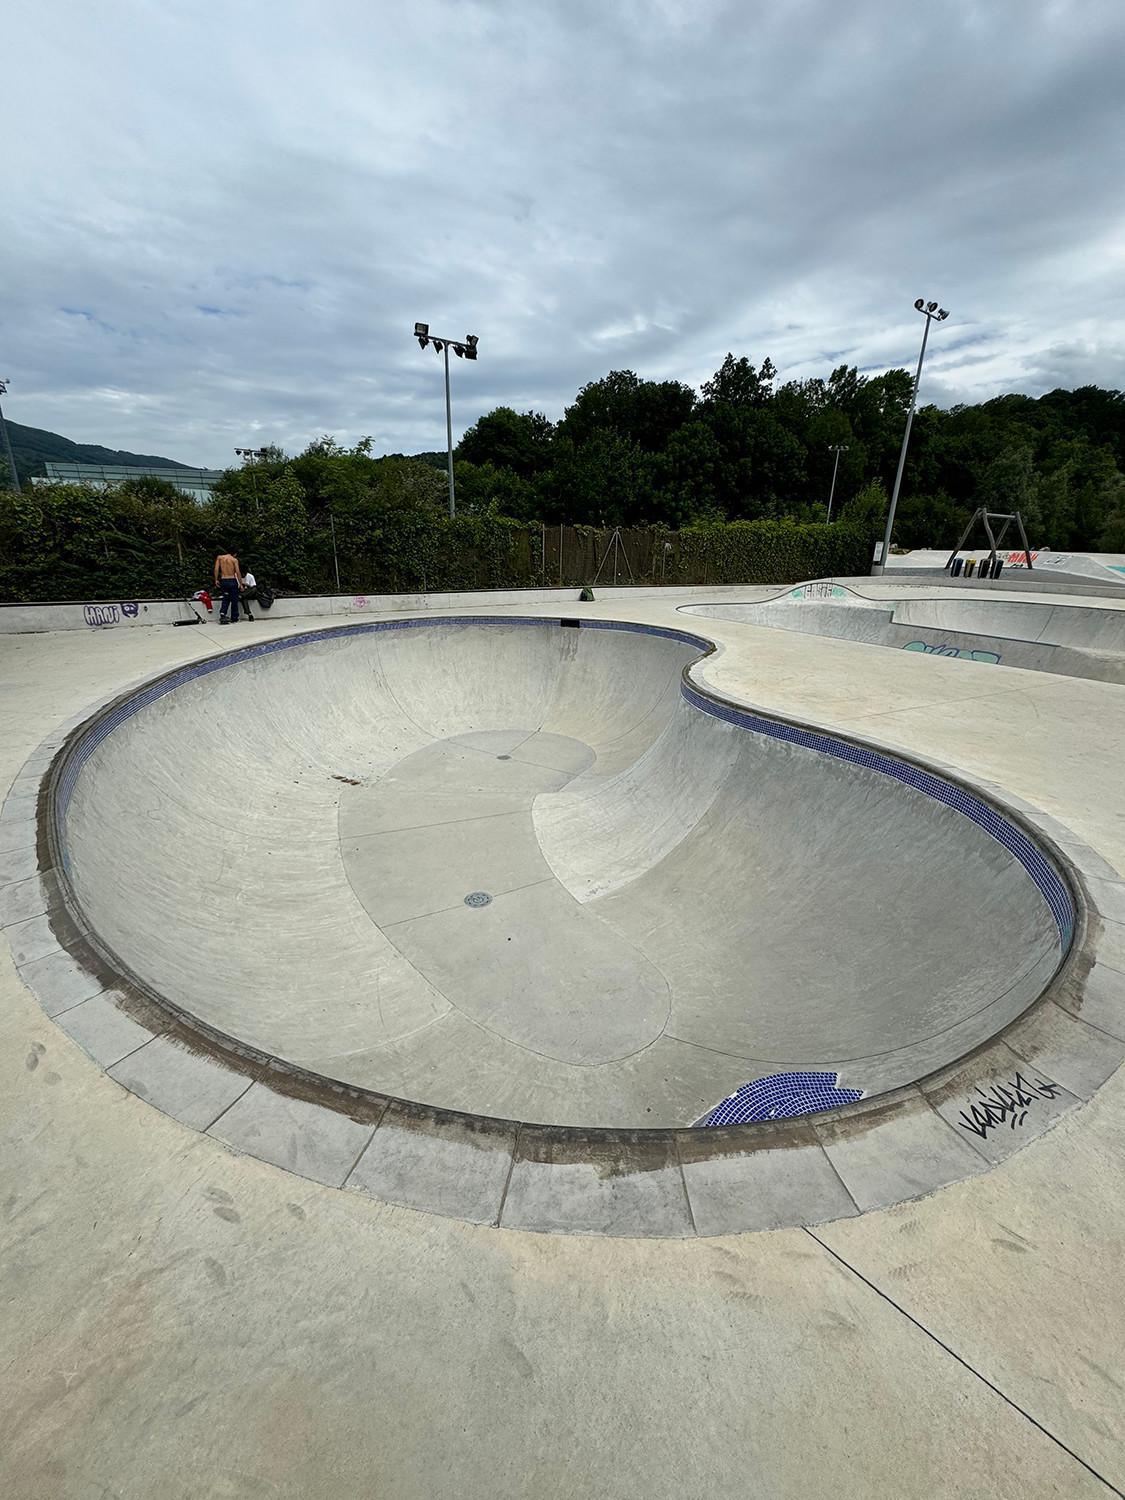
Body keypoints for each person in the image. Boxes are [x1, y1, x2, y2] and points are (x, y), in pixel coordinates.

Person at [213, 550, 242, 623]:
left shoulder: (220, 558)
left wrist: (216, 579)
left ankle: (223, 613)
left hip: (224, 580)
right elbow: (237, 572)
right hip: (232, 580)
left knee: (225, 597)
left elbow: (216, 569)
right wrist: (241, 584)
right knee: (234, 599)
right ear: (234, 554)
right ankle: (234, 618)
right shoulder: (234, 560)